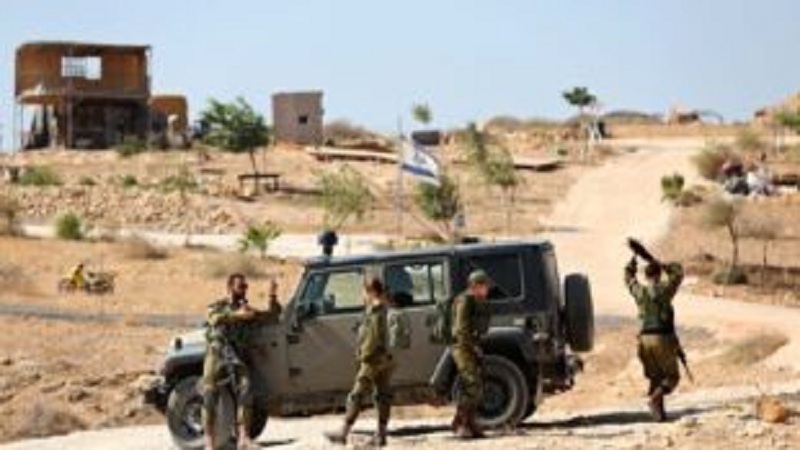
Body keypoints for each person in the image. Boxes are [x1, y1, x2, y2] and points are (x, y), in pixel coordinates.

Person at [203, 274, 281, 450]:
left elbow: (272, 316)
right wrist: (236, 315)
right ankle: (209, 442)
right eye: (241, 287)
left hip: (236, 356)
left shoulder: (247, 310)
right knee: (210, 395)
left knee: (246, 390)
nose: (244, 290)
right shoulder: (219, 306)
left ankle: (243, 438)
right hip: (217, 354)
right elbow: (213, 318)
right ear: (230, 288)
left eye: (246, 287)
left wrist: (272, 295)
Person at [325, 276, 395, 447]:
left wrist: (363, 356)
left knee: (356, 395)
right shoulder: (387, 308)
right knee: (383, 396)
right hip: (386, 360)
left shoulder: (375, 311)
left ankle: (343, 432)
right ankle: (381, 435)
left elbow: (372, 338)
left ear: (370, 291)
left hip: (372, 360)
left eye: (364, 291)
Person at [625, 256, 685, 422]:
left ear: (646, 276)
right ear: (659, 275)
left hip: (644, 341)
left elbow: (628, 279)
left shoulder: (640, 292)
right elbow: (678, 273)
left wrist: (631, 266)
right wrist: (664, 264)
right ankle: (654, 399)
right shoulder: (665, 290)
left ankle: (659, 414)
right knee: (672, 377)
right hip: (662, 338)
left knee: (655, 377)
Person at [450, 270, 492, 439]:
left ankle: (470, 423)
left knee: (477, 385)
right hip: (462, 348)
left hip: (470, 347)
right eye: (485, 285)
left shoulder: (476, 301)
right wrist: (473, 347)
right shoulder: (465, 300)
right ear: (475, 286)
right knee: (471, 384)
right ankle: (460, 423)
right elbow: (461, 329)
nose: (487, 289)